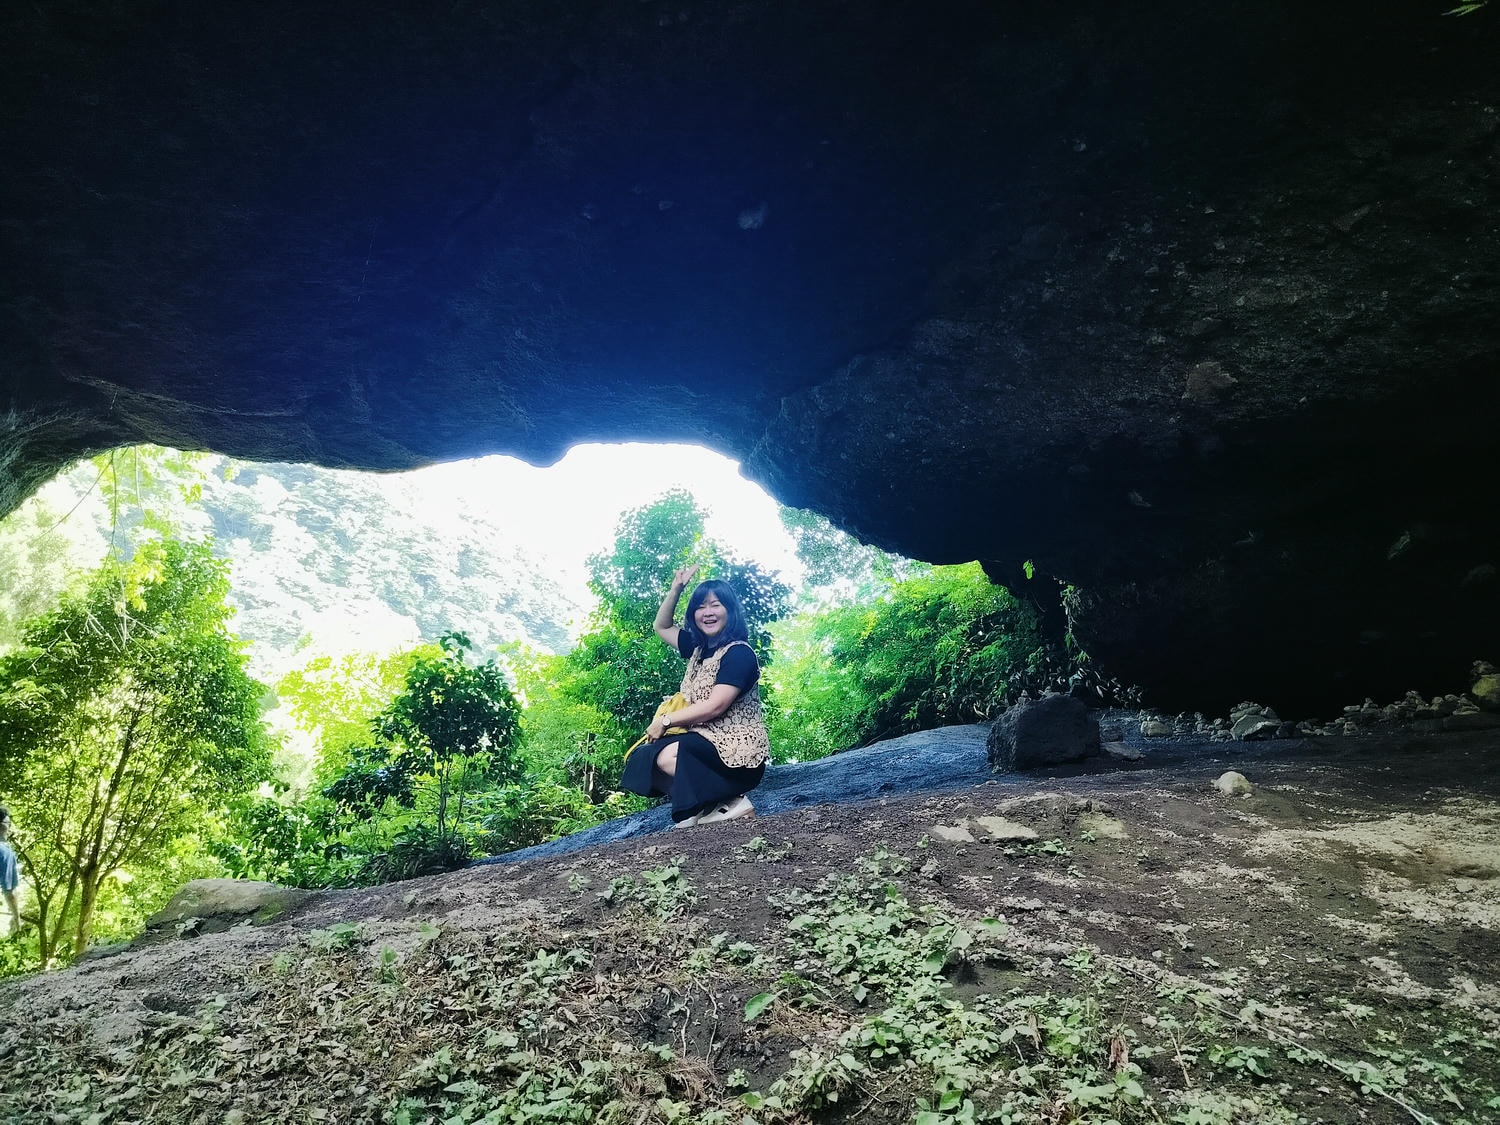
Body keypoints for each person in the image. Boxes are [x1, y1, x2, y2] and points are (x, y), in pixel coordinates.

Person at [619, 565, 769, 827]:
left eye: (716, 605)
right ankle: (711, 806)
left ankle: (731, 801)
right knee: (643, 758)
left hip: (736, 749)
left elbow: (715, 706)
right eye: (701, 606)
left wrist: (666, 720)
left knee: (665, 757)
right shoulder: (697, 648)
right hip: (702, 741)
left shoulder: (738, 654)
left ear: (730, 611)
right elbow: (661, 625)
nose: (708, 612)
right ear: (694, 614)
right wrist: (676, 588)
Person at [0, 806, 19, 938]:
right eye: (9, 824)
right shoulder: (5, 853)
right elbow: (10, 893)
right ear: (2, 826)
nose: (10, 829)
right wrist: (17, 918)